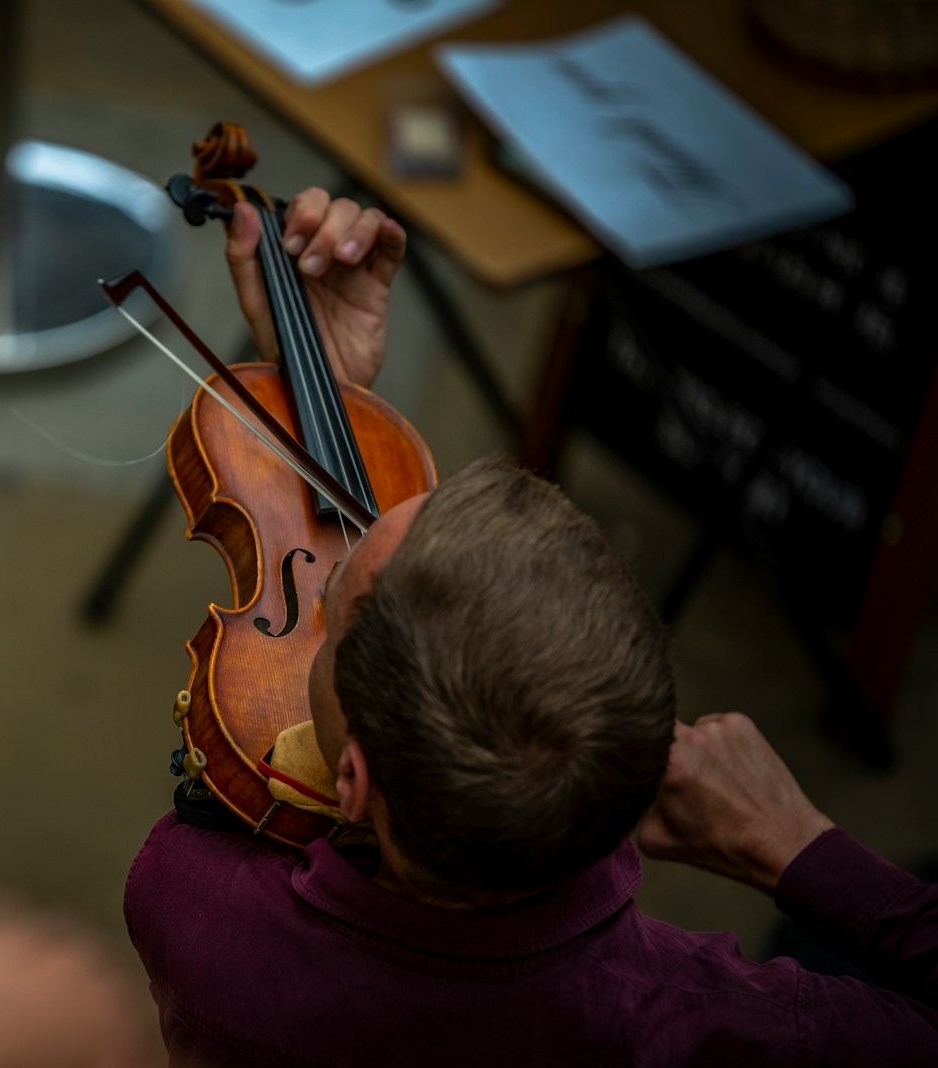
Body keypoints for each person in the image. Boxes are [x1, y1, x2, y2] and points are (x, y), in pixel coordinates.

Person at [123, 189, 938, 1065]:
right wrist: (798, 849)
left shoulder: (195, 906)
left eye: (326, 612)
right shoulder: (729, 1022)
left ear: (353, 782)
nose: (329, 562)